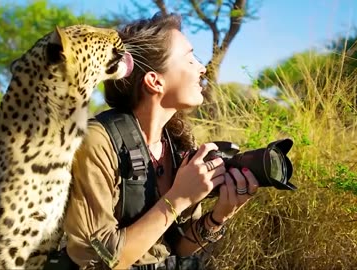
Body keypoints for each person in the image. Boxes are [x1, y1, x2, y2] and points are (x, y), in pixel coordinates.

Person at [63, 12, 259, 270]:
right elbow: (99, 260)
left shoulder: (176, 143)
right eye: (190, 59)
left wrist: (218, 216)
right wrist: (177, 198)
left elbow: (180, 245)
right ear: (155, 81)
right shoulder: (97, 142)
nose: (203, 68)